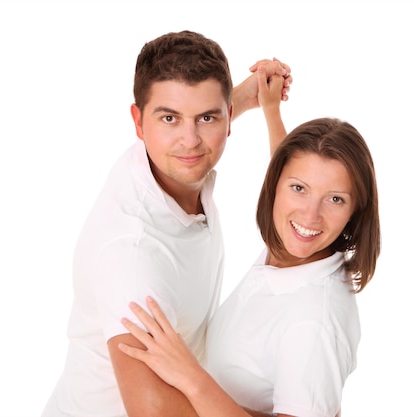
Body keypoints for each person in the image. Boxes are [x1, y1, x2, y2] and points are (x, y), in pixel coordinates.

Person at [41, 30, 292, 417]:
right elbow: (153, 411)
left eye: (207, 117)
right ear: (139, 123)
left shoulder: (166, 165)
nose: (190, 141)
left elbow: (194, 122)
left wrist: (247, 96)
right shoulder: (132, 254)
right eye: (170, 118)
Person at [118, 114, 381, 417]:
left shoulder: (313, 322)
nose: (310, 216)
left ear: (355, 211)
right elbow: (294, 168)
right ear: (276, 185)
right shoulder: (294, 252)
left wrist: (191, 378)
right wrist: (270, 110)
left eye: (335, 199)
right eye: (299, 189)